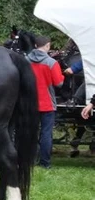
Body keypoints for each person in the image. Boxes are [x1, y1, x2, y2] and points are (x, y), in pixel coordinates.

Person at [26, 34, 64, 168]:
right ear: (48, 45)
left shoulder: (25, 60)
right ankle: (45, 163)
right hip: (47, 103)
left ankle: (29, 160)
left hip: (29, 103)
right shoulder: (52, 63)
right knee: (46, 134)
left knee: (30, 132)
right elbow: (59, 83)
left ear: (35, 45)